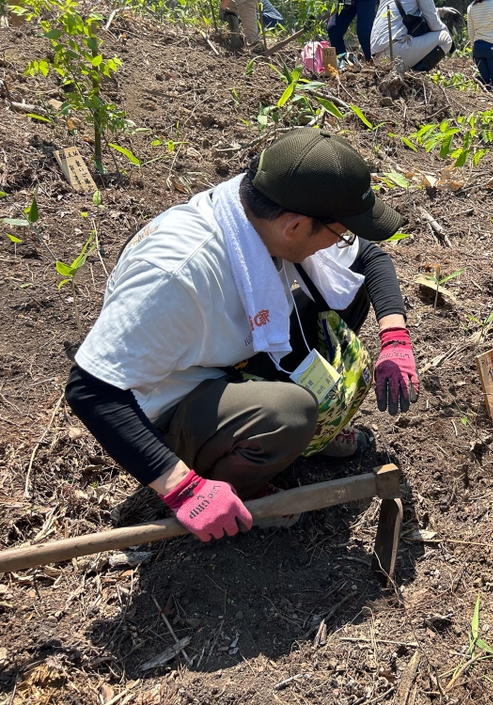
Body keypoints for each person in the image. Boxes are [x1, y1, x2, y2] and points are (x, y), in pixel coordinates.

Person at [66, 128, 420, 543]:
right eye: (339, 232)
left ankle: (306, 437)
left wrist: (394, 336)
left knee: (347, 285)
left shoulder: (264, 214)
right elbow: (91, 389)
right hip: (174, 407)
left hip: (229, 358)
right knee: (288, 413)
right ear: (295, 226)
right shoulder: (177, 273)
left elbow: (369, 259)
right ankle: (238, 487)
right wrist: (180, 487)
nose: (343, 242)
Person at [370, 0, 453, 71]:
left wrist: (439, 11)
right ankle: (416, 77)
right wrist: (449, 36)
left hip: (376, 56)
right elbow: (434, 24)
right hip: (394, 52)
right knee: (445, 38)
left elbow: (405, 8)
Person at [467, 0, 493, 90]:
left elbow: (470, 30)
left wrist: (472, 44)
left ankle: (487, 100)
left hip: (478, 47)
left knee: (485, 81)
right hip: (491, 46)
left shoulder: (470, 7)